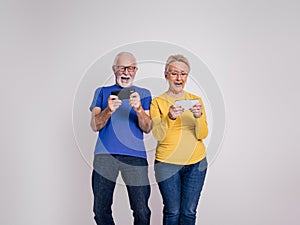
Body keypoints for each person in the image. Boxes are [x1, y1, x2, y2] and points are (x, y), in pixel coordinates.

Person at [89, 52, 152, 225]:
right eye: (122, 68)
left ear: (135, 70)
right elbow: (95, 125)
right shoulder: (101, 92)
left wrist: (138, 109)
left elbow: (147, 128)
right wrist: (108, 110)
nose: (126, 72)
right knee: (100, 210)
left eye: (131, 68)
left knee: (141, 210)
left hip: (135, 158)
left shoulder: (144, 93)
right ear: (114, 69)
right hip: (104, 156)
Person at [150, 54, 209, 225]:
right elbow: (158, 135)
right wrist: (170, 117)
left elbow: (202, 135)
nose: (179, 78)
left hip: (196, 164)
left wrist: (198, 117)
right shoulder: (157, 102)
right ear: (166, 75)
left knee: (189, 212)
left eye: (183, 74)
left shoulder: (195, 100)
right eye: (174, 73)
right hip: (167, 164)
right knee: (172, 212)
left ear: (187, 77)